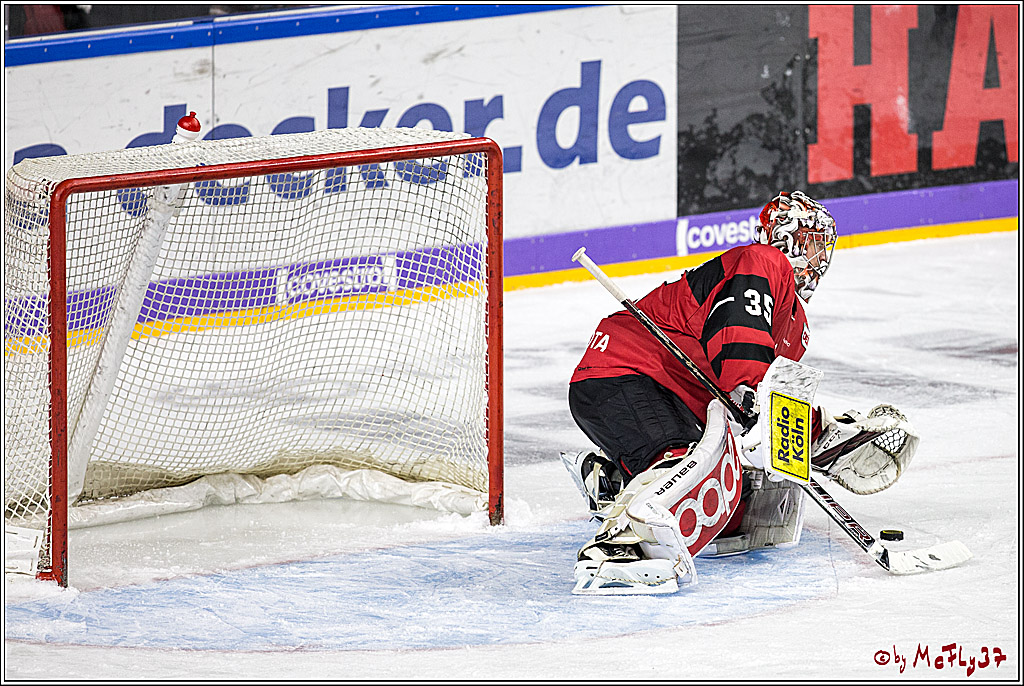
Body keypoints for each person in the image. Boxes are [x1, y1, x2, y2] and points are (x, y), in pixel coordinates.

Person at [562, 190, 918, 594]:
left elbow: (768, 409)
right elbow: (735, 336)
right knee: (681, 468)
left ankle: (613, 480)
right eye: (811, 243)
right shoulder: (763, 262)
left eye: (824, 248)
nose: (819, 258)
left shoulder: (796, 327)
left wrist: (822, 435)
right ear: (784, 236)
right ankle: (618, 551)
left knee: (731, 506)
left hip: (673, 397)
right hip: (624, 370)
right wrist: (747, 386)